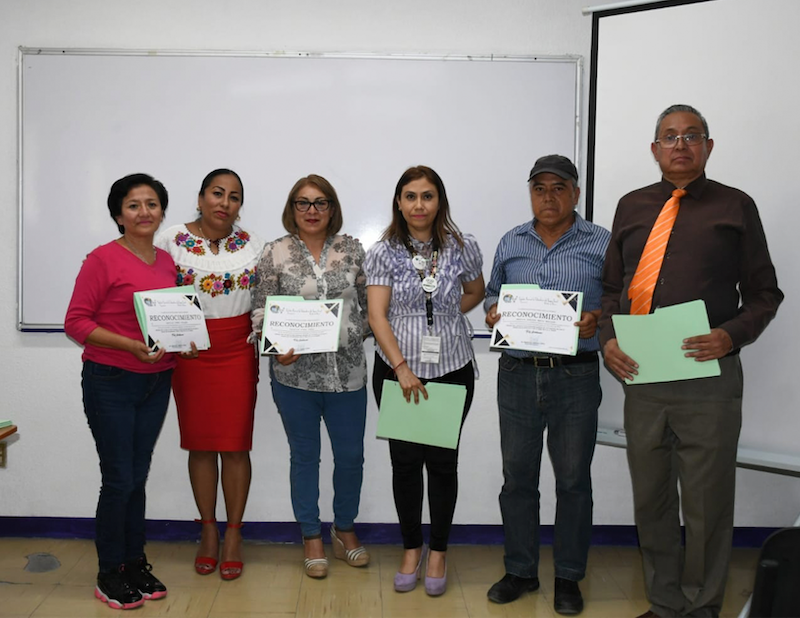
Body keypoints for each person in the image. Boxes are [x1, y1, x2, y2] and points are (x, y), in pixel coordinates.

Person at [599, 104, 783, 618]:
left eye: (691, 136)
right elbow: (611, 289)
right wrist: (608, 339)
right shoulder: (631, 206)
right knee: (651, 500)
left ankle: (703, 607)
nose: (680, 145)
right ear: (654, 149)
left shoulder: (735, 206)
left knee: (707, 504)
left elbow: (765, 294)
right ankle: (664, 603)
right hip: (643, 378)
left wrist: (730, 336)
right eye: (669, 136)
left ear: (708, 146)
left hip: (709, 378)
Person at [483, 155, 610, 614]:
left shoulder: (601, 242)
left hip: (576, 375)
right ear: (531, 193)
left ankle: (569, 577)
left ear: (576, 193)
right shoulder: (511, 241)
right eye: (540, 188)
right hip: (518, 373)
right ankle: (520, 570)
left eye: (559, 188)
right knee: (517, 478)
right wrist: (493, 311)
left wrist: (598, 317)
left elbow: (623, 298)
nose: (549, 197)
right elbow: (494, 292)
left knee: (573, 480)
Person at [65, 173, 196, 609]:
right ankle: (109, 572)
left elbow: (169, 321)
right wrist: (129, 346)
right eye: (134, 205)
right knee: (119, 478)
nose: (145, 212)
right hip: (111, 380)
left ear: (162, 211)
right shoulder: (102, 259)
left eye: (152, 204)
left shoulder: (167, 262)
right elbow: (76, 323)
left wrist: (184, 341)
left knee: (138, 476)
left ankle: (134, 563)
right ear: (119, 215)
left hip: (156, 380)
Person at [365, 165, 485, 597]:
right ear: (399, 202)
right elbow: (377, 315)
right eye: (411, 196)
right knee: (404, 464)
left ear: (439, 202)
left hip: (451, 368)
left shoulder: (461, 247)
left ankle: (438, 552)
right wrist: (401, 367)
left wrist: (445, 314)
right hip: (397, 371)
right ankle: (411, 548)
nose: (419, 205)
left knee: (443, 464)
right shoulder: (383, 251)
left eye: (428, 196)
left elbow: (476, 291)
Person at [251, 174, 370, 579]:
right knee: (305, 457)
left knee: (351, 457)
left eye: (321, 202)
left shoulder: (352, 249)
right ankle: (311, 535)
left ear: (332, 208)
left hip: (347, 375)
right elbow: (260, 308)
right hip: (294, 377)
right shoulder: (275, 251)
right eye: (303, 203)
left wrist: (346, 333)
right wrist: (274, 343)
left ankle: (344, 528)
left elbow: (369, 307)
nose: (312, 210)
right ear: (292, 209)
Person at [155, 169, 265, 581]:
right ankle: (208, 531)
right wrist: (168, 337)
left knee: (235, 446)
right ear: (200, 198)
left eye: (234, 197)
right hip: (190, 354)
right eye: (217, 193)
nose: (225, 203)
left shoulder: (254, 245)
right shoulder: (170, 239)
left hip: (238, 350)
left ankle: (234, 533)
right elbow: (153, 294)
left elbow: (264, 298)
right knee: (200, 445)